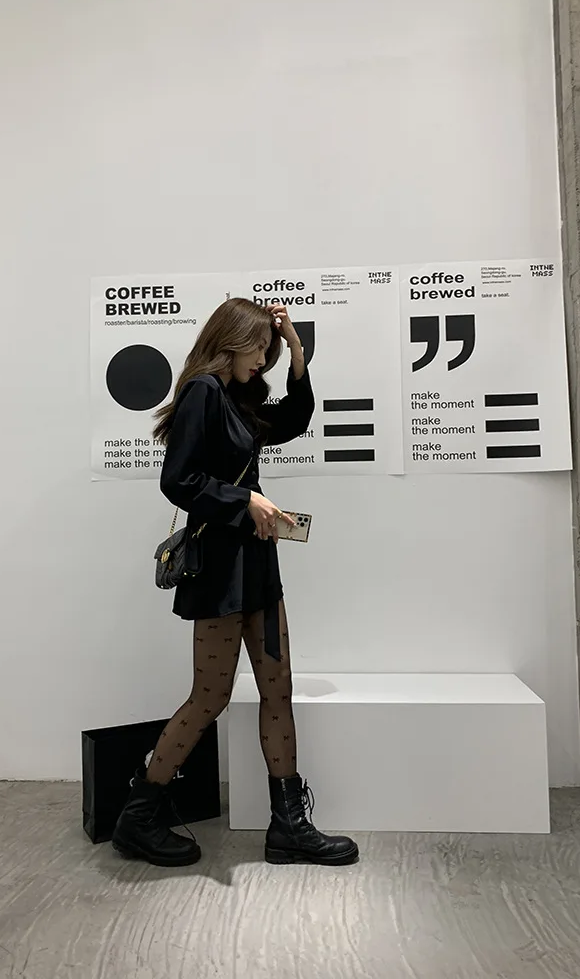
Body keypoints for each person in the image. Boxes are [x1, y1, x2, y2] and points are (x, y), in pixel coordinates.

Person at [112, 297, 359, 868]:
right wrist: (243, 498)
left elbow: (293, 421)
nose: (264, 359)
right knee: (211, 696)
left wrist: (297, 350)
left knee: (278, 688)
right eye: (261, 348)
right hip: (220, 570)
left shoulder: (237, 397)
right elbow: (178, 480)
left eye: (271, 351)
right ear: (232, 342)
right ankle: (138, 816)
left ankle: (289, 826)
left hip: (257, 563)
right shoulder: (203, 391)